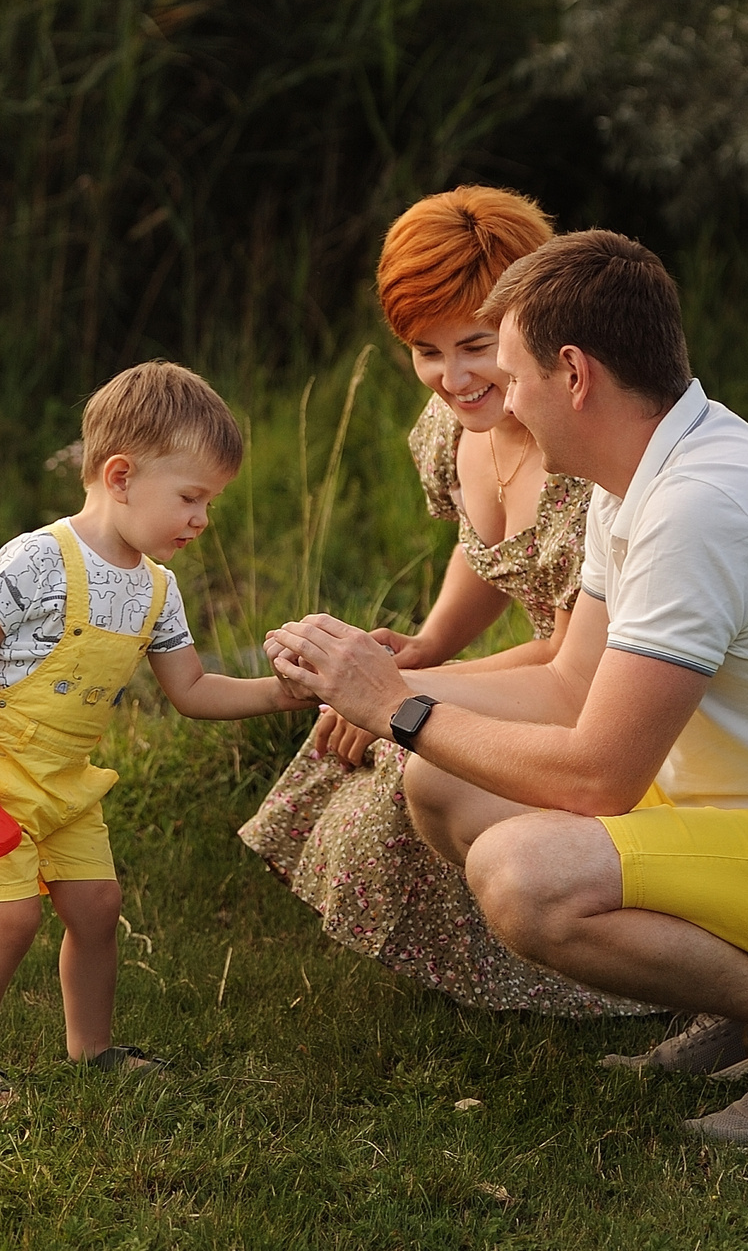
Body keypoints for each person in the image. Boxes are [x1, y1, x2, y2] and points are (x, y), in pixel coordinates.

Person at [267, 232, 748, 1155]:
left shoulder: (699, 507)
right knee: (439, 787)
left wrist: (398, 709)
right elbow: (569, 684)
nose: (502, 399)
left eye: (513, 373)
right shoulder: (634, 473)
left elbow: (597, 776)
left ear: (574, 373)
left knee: (525, 880)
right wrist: (382, 686)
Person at [239, 187, 650, 1018]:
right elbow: (484, 548)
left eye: (475, 344)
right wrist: (426, 645)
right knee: (388, 721)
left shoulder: (583, 459)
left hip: (621, 694)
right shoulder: (454, 425)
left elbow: (572, 665)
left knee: (412, 740)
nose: (453, 378)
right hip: (556, 669)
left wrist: (404, 695)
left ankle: (601, 967)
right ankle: (490, 957)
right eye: (424, 350)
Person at [0, 361, 307, 1104]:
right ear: (122, 476)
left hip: (66, 786)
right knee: (10, 920)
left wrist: (289, 694)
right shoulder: (37, 560)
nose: (202, 519)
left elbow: (192, 691)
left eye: (211, 503)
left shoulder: (157, 589)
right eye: (192, 498)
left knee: (99, 910)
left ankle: (91, 1049)